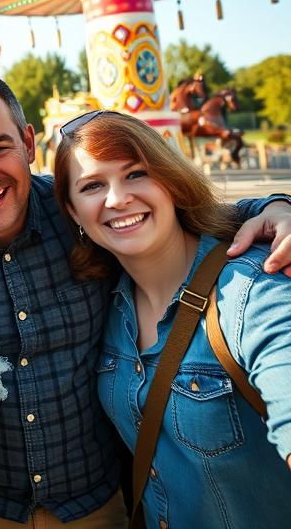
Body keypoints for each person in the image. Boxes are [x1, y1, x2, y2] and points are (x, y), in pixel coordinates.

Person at [0, 68, 291, 529]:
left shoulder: (80, 209)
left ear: (27, 142)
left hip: (100, 507)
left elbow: (183, 211)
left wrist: (274, 208)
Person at [53, 110, 291, 529]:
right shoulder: (106, 300)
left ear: (170, 180)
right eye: (92, 185)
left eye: (136, 174)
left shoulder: (252, 290)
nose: (117, 198)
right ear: (73, 213)